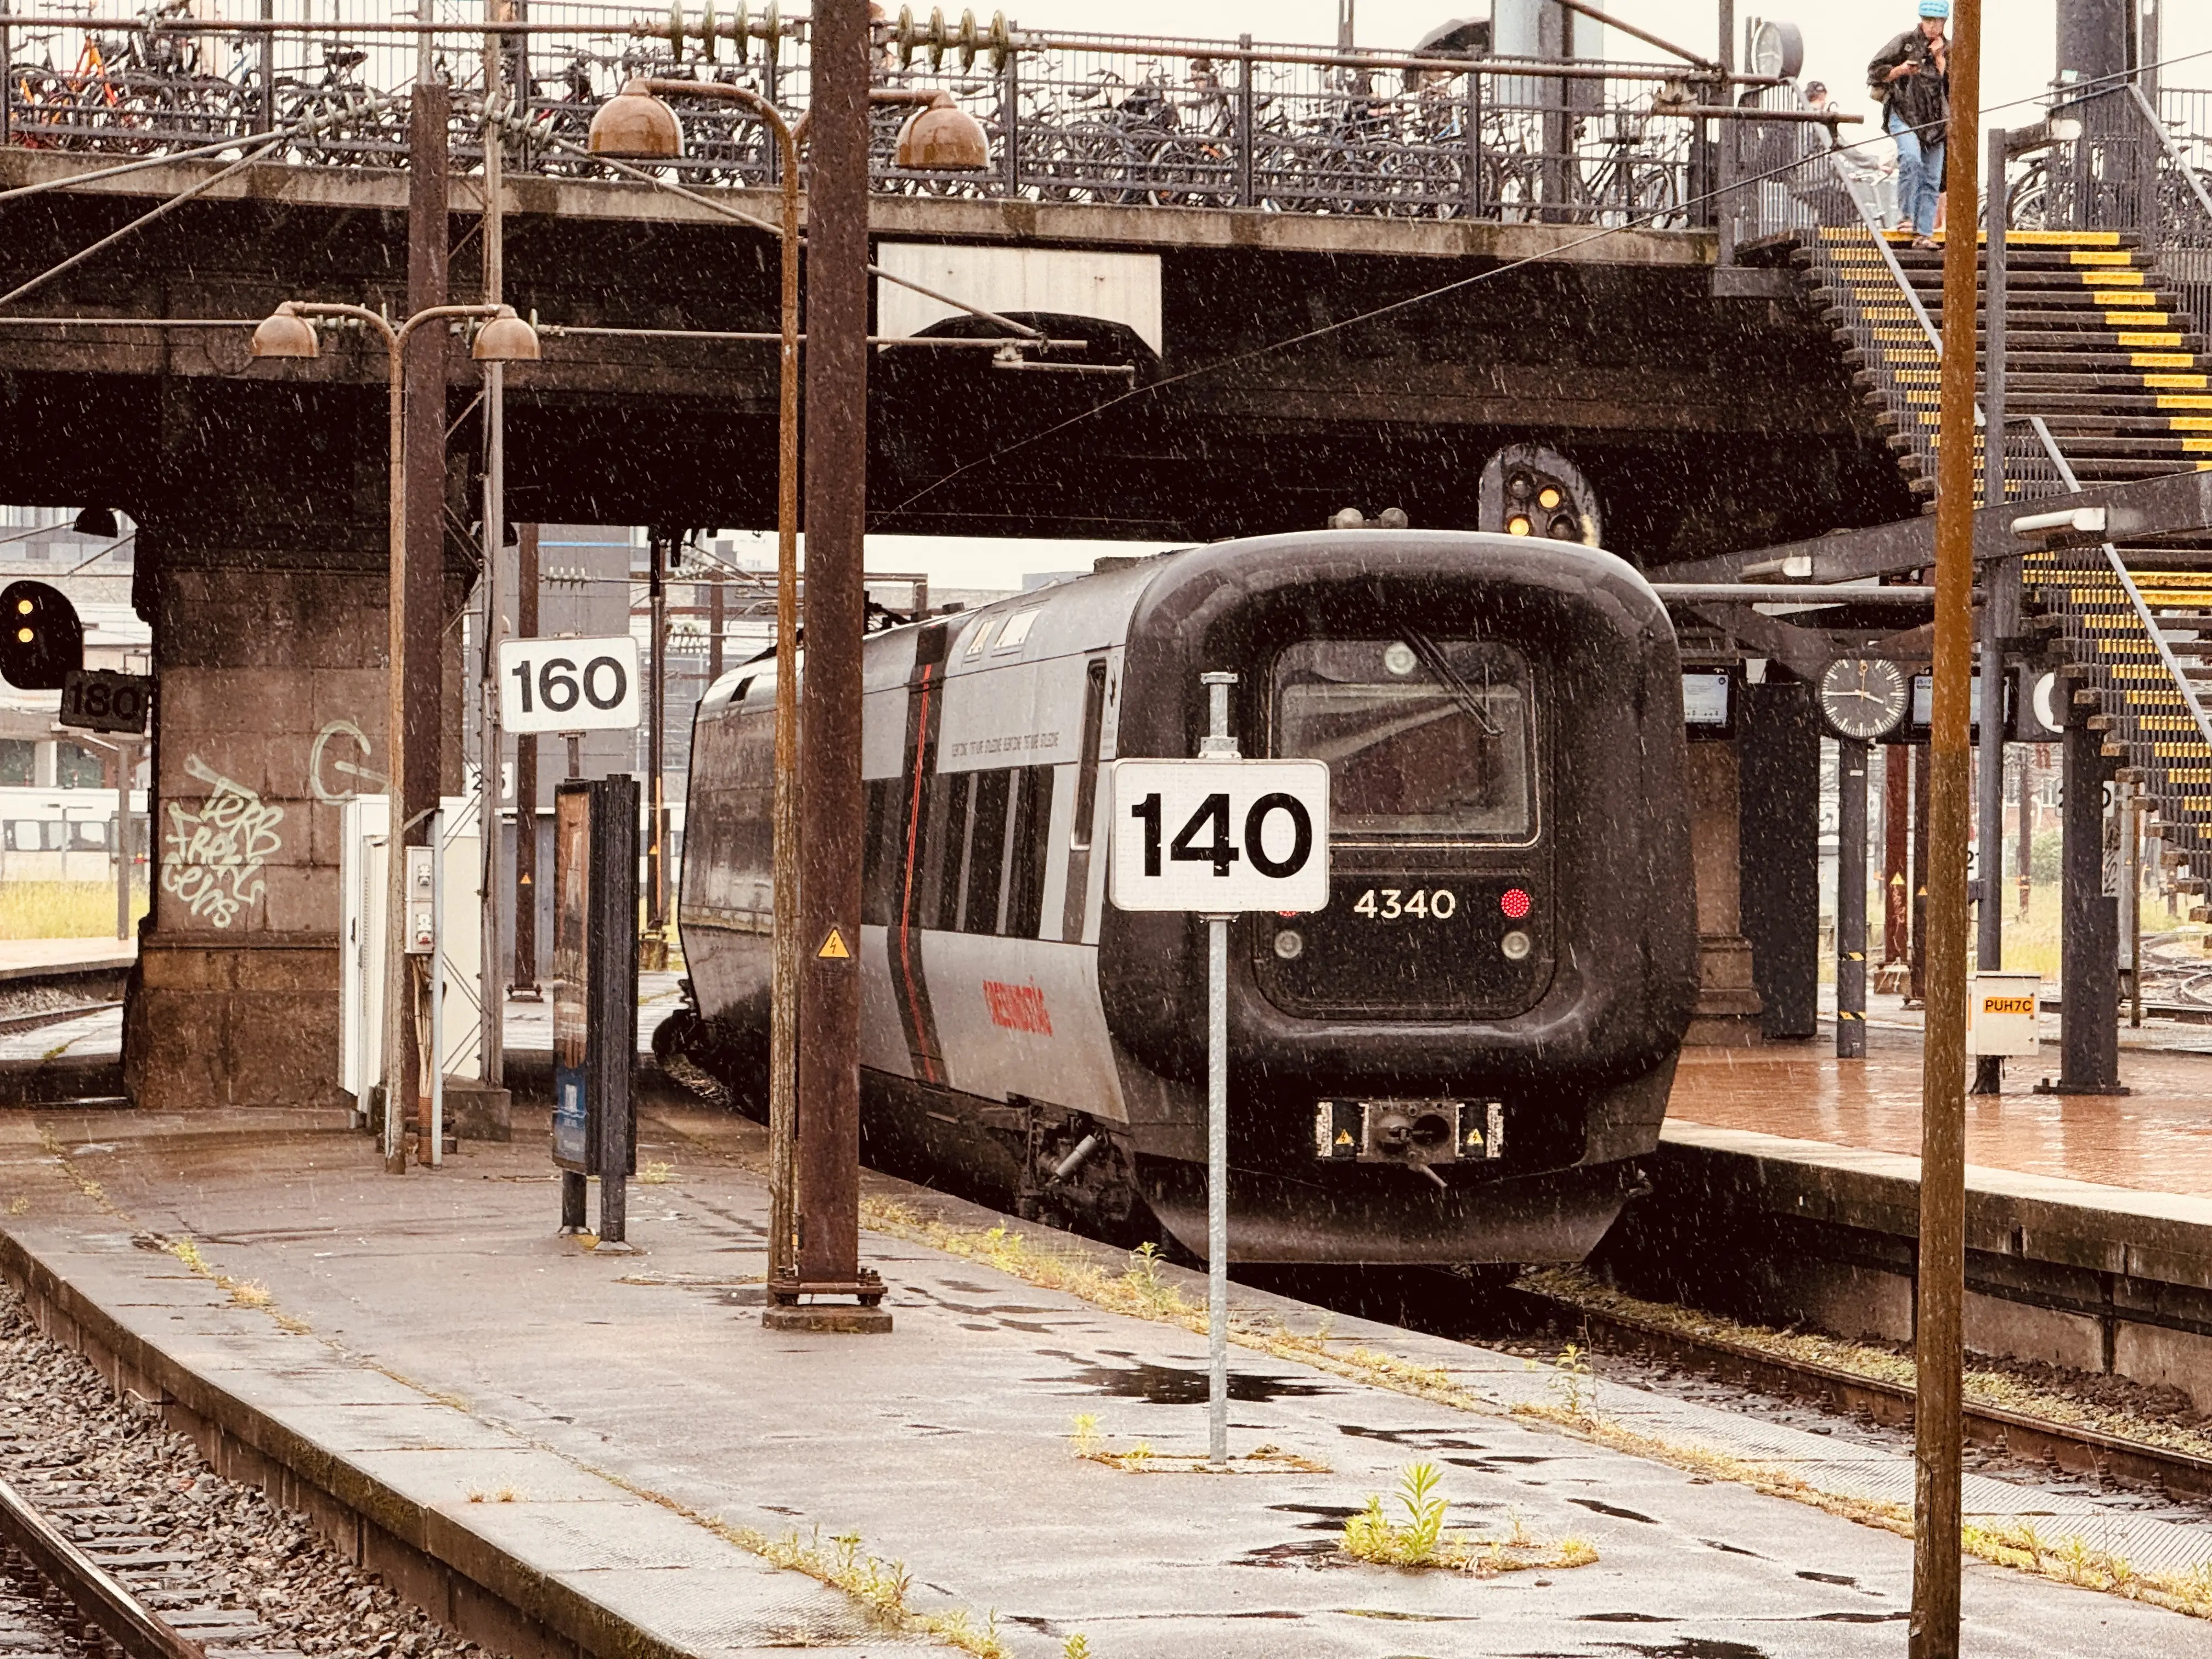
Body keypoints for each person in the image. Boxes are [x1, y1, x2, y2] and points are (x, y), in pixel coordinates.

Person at [1867, 0, 1950, 247]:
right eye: (1927, 20)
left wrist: (1941, 62)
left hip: (1935, 120)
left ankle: (1924, 233)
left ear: (1944, 23)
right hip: (1903, 112)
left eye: (1936, 21)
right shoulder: (1905, 41)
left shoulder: (1950, 49)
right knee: (1911, 157)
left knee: (1933, 178)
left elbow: (1957, 87)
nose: (1931, 26)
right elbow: (1874, 71)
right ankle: (1906, 217)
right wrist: (1901, 70)